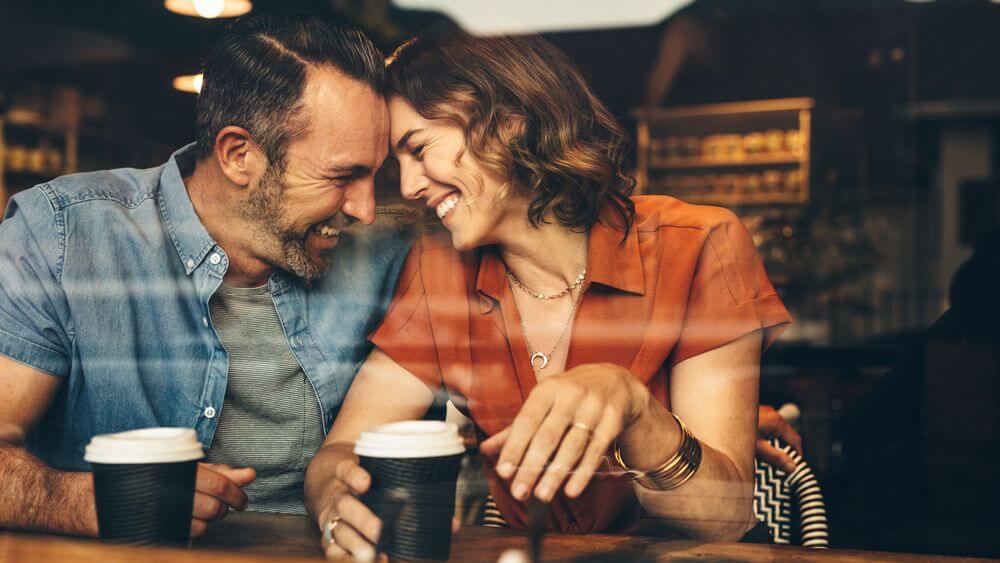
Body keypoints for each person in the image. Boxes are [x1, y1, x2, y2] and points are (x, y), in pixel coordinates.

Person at [305, 28, 793, 559]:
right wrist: (335, 497)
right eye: (396, 164)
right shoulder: (438, 269)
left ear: (509, 121)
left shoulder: (699, 246)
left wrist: (634, 409)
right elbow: (343, 447)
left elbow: (722, 520)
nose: (409, 187)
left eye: (419, 149)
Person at [0, 14, 414, 537]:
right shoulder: (62, 237)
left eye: (378, 174)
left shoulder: (392, 254)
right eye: (342, 176)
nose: (367, 210)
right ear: (239, 155)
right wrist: (83, 501)